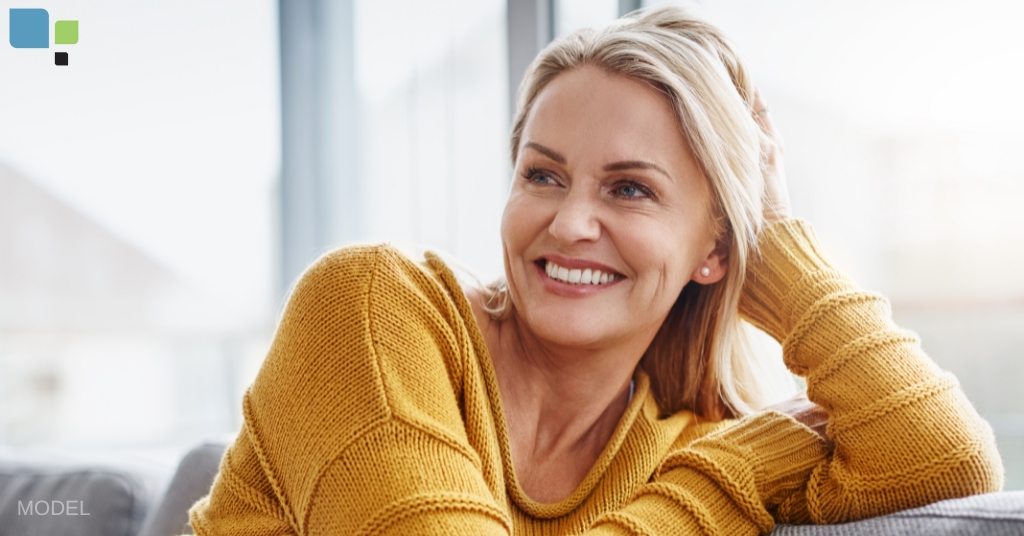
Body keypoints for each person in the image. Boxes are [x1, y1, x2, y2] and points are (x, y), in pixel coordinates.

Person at [187, 6, 1003, 535]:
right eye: (542, 175)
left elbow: (943, 457)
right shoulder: (371, 307)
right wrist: (727, 479)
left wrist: (777, 242)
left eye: (630, 189)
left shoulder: (684, 442)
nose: (570, 222)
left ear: (713, 251)